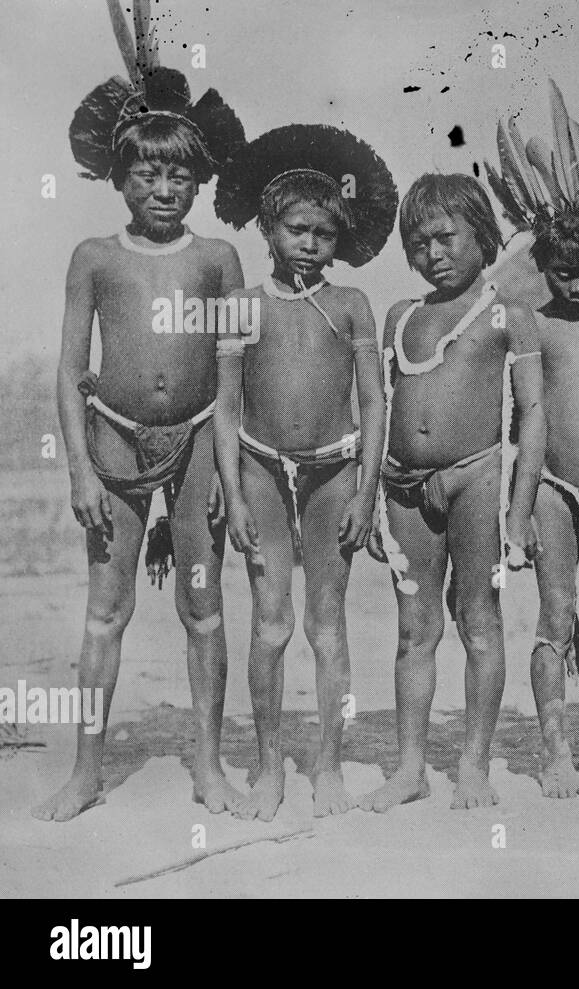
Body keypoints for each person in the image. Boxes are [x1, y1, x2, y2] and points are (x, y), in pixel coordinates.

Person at [36, 19, 246, 821]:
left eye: (180, 177)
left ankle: (210, 767)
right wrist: (80, 470)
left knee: (204, 606)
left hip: (196, 444)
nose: (164, 189)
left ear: (198, 181)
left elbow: (231, 380)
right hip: (114, 441)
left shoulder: (219, 260)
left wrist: (227, 471)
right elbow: (67, 369)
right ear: (118, 179)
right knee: (107, 609)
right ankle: (86, 770)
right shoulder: (94, 257)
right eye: (148, 175)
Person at [213, 124, 395, 819]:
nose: (310, 242)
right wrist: (232, 495)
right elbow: (227, 409)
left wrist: (368, 489)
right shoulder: (244, 306)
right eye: (297, 228)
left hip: (333, 473)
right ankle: (267, 767)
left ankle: (327, 764)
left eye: (324, 232)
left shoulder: (351, 305)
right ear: (269, 229)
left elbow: (374, 400)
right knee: (270, 623)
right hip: (260, 468)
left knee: (327, 623)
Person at [360, 173, 545, 811]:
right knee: (415, 629)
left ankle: (474, 765)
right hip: (404, 487)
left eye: (446, 238)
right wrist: (370, 498)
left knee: (480, 623)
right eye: (417, 243)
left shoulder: (505, 314)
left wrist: (517, 516)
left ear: (482, 237)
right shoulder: (399, 318)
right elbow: (378, 412)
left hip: (477, 483)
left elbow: (534, 420)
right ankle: (411, 766)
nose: (432, 254)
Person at [485, 84, 579, 797]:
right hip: (550, 483)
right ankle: (554, 751)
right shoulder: (530, 318)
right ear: (542, 259)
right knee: (554, 615)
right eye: (564, 267)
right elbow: (530, 417)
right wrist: (516, 514)